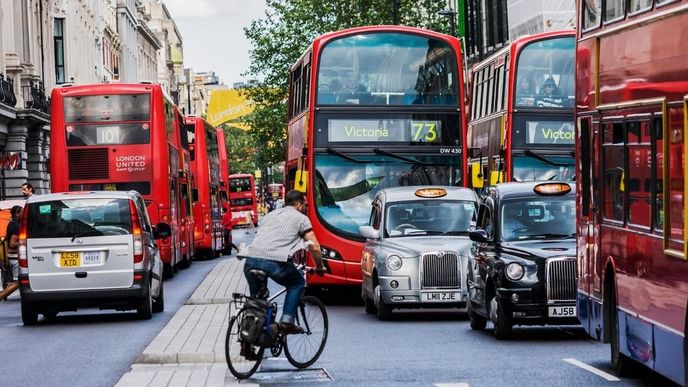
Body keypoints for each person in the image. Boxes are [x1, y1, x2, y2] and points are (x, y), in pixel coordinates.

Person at [237, 190, 325, 336]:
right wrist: (320, 267)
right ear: (298, 204)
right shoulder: (301, 218)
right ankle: (287, 322)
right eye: (305, 205)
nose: (306, 208)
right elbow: (313, 246)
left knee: (256, 303)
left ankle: (249, 341)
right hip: (274, 261)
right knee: (296, 283)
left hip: (250, 260)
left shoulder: (270, 215)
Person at [0, 206, 22, 300]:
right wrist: (24, 242)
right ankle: (1, 295)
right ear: (17, 214)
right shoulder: (16, 226)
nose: (23, 214)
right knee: (18, 282)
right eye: (22, 212)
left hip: (12, 256)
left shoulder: (12, 223)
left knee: (18, 281)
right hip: (15, 257)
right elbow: (12, 243)